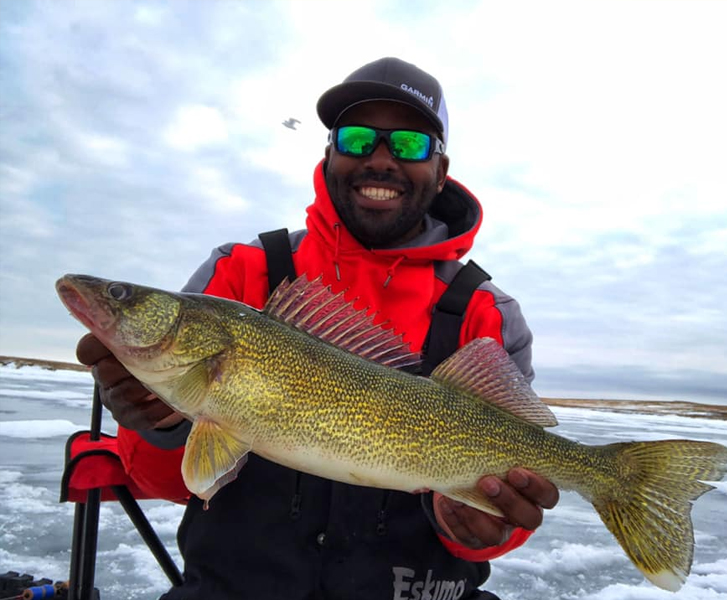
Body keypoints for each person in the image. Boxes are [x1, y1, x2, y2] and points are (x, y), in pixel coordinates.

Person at [76, 57, 559, 600]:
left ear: (441, 169)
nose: (380, 159)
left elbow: (506, 512)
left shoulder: (486, 312)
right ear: (329, 152)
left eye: (408, 145)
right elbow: (164, 482)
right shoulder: (241, 272)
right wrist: (158, 427)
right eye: (356, 138)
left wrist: (478, 528)